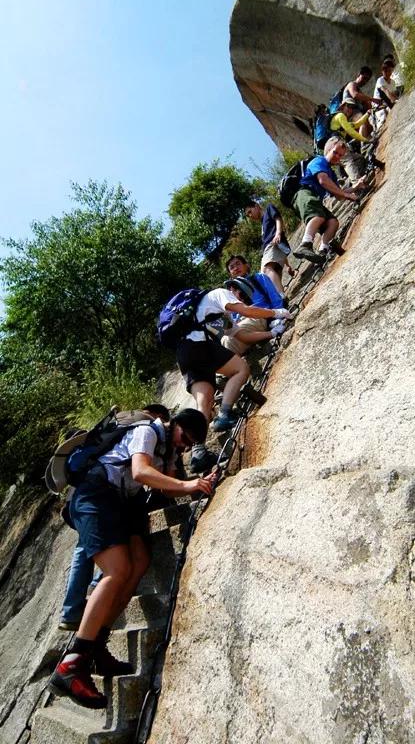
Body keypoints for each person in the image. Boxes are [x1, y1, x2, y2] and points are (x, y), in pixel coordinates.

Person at [48, 408, 215, 709]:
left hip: (122, 503)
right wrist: (188, 485)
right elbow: (140, 471)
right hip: (96, 495)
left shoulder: (168, 453)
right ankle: (72, 664)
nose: (184, 446)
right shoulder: (147, 431)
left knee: (137, 564)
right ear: (174, 424)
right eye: (184, 437)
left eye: (190, 445)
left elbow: (175, 485)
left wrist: (201, 483)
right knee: (116, 570)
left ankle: (97, 647)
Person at [58, 404, 171, 630]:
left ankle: (74, 608)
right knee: (105, 550)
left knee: (87, 546)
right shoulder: (144, 429)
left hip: (83, 493)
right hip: (101, 492)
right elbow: (138, 471)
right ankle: (88, 596)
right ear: (157, 415)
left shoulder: (118, 427)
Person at [174, 279, 292, 473]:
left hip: (184, 353)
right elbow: (246, 311)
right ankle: (224, 414)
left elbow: (242, 336)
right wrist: (276, 313)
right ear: (235, 291)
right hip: (200, 345)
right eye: (240, 294)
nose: (240, 298)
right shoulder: (219, 294)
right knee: (241, 369)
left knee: (204, 401)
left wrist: (271, 333)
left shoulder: (218, 314)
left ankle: (198, 451)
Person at [292, 137, 365, 265]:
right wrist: (346, 194)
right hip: (303, 193)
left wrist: (355, 187)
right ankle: (305, 244)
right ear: (328, 150)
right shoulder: (319, 161)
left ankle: (323, 251)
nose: (337, 157)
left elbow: (338, 195)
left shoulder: (331, 174)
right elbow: (323, 181)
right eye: (335, 152)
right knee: (318, 216)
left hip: (314, 198)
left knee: (333, 222)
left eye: (340, 155)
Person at [221, 255, 288, 356]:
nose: (235, 268)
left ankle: (236, 367)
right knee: (224, 341)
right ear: (230, 273)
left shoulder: (258, 278)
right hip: (243, 323)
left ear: (246, 265)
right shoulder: (230, 293)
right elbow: (232, 318)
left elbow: (274, 297)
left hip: (260, 315)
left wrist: (277, 316)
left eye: (238, 264)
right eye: (232, 267)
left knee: (228, 340)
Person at [244, 201, 295, 297]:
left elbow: (278, 218)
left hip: (273, 243)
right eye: (248, 215)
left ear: (256, 206)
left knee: (267, 270)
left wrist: (278, 233)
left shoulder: (268, 209)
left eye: (250, 212)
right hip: (271, 249)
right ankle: (280, 301)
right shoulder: (263, 222)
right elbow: (277, 253)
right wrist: (288, 266)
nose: (250, 216)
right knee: (268, 279)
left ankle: (281, 298)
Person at [342, 66, 384, 139]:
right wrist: (373, 99)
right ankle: (364, 146)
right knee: (362, 121)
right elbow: (355, 95)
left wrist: (378, 108)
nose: (364, 81)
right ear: (358, 75)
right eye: (364, 78)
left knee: (371, 126)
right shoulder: (351, 84)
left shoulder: (360, 91)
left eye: (367, 80)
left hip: (356, 115)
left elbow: (368, 105)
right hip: (350, 115)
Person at [374, 59, 399, 128]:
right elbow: (385, 90)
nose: (387, 73)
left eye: (389, 71)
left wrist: (397, 100)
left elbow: (394, 94)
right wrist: (394, 100)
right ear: (382, 71)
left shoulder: (393, 82)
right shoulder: (380, 80)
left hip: (388, 104)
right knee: (383, 118)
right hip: (379, 106)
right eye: (385, 71)